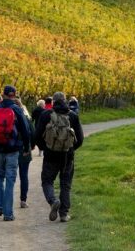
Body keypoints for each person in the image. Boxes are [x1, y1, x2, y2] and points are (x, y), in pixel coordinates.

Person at [34, 92, 84, 223]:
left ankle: (53, 201)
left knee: (47, 181)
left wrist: (46, 148)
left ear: (53, 101)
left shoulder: (46, 115)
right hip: (68, 156)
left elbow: (36, 136)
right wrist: (71, 149)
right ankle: (63, 214)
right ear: (65, 101)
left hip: (51, 155)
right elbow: (80, 139)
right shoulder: (72, 116)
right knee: (65, 184)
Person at [0, 85, 32, 221]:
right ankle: (8, 213)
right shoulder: (17, 109)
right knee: (10, 180)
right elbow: (25, 130)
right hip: (12, 150)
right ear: (14, 95)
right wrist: (26, 147)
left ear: (3, 94)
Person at [15, 97, 35, 209]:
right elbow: (32, 132)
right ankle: (23, 200)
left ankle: (6, 199)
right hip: (24, 149)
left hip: (10, 149)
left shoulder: (8, 116)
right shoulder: (25, 117)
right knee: (24, 175)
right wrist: (31, 146)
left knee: (9, 176)